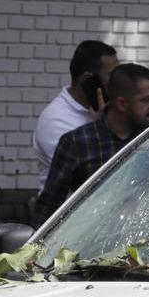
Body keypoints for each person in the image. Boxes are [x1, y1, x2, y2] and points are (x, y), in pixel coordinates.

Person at [34, 64, 149, 225]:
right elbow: (49, 208)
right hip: (91, 242)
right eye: (146, 100)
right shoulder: (78, 143)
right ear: (122, 104)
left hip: (148, 237)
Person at [32, 40, 117, 192]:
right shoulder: (56, 120)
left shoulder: (103, 110)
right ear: (88, 80)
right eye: (112, 77)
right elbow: (92, 178)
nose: (118, 83)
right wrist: (103, 127)